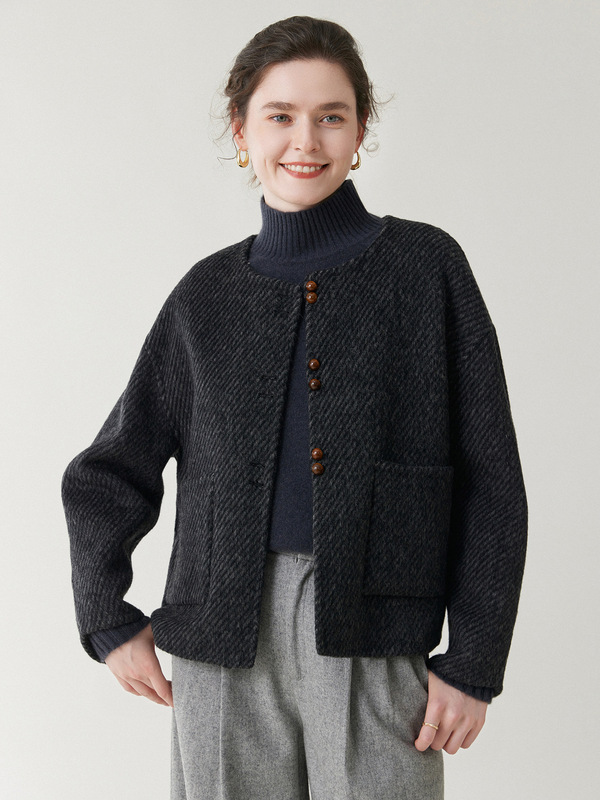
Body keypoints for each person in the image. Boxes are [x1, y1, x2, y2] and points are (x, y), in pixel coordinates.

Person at [61, 15, 528, 800]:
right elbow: (109, 469)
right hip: (219, 637)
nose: (305, 140)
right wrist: (106, 616)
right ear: (241, 129)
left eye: (330, 116)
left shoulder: (426, 269)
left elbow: (492, 481)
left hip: (375, 628)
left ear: (360, 130)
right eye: (279, 115)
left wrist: (474, 660)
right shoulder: (206, 295)